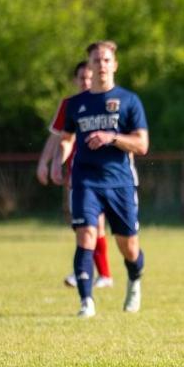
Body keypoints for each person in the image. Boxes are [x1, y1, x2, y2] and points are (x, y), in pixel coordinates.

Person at [53, 40, 149, 318]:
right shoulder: (76, 104)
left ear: (114, 65)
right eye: (97, 60)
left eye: (106, 60)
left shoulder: (130, 101)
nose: (102, 65)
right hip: (85, 180)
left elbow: (142, 145)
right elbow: (67, 138)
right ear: (90, 66)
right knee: (86, 235)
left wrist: (112, 137)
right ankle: (87, 302)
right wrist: (61, 162)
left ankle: (135, 279)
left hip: (120, 182)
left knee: (128, 247)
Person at [37, 61, 114, 290]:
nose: (86, 82)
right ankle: (93, 272)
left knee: (95, 224)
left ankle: (94, 272)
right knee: (83, 224)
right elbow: (57, 136)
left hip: (103, 174)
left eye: (90, 78)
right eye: (82, 78)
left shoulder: (106, 102)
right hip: (76, 174)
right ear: (75, 80)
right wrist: (46, 162)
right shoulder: (69, 105)